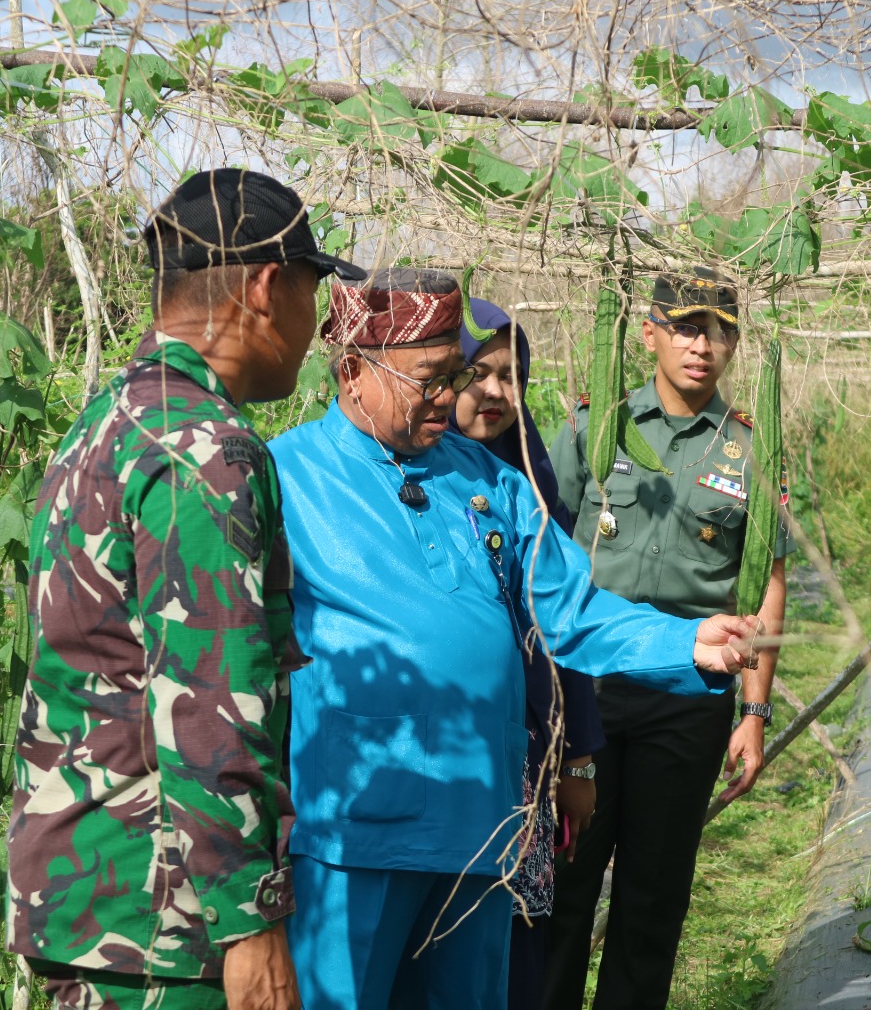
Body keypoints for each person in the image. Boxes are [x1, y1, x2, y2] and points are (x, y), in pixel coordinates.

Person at [267, 267, 759, 1010]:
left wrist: (686, 644)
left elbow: (570, 606)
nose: (446, 401)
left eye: (451, 379)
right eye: (427, 382)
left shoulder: (489, 480)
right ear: (351, 372)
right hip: (354, 834)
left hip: (479, 825)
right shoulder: (285, 476)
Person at [7, 168, 365, 1010]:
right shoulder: (204, 451)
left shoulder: (106, 420)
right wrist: (253, 924)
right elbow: (212, 703)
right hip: (162, 926)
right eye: (315, 292)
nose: (316, 328)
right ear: (268, 287)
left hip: (84, 897)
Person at [543, 267, 793, 1010]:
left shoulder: (752, 450)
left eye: (719, 332)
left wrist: (754, 713)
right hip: (587, 688)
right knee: (564, 886)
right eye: (686, 326)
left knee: (652, 901)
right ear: (649, 332)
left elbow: (767, 580)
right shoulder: (597, 428)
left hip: (690, 695)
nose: (702, 345)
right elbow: (545, 546)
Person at [451, 298, 605, 1010]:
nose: (494, 393)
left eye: (510, 376)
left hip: (527, 768)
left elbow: (564, 631)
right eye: (473, 373)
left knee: (518, 947)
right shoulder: (407, 481)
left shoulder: (532, 487)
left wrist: (574, 758)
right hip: (443, 768)